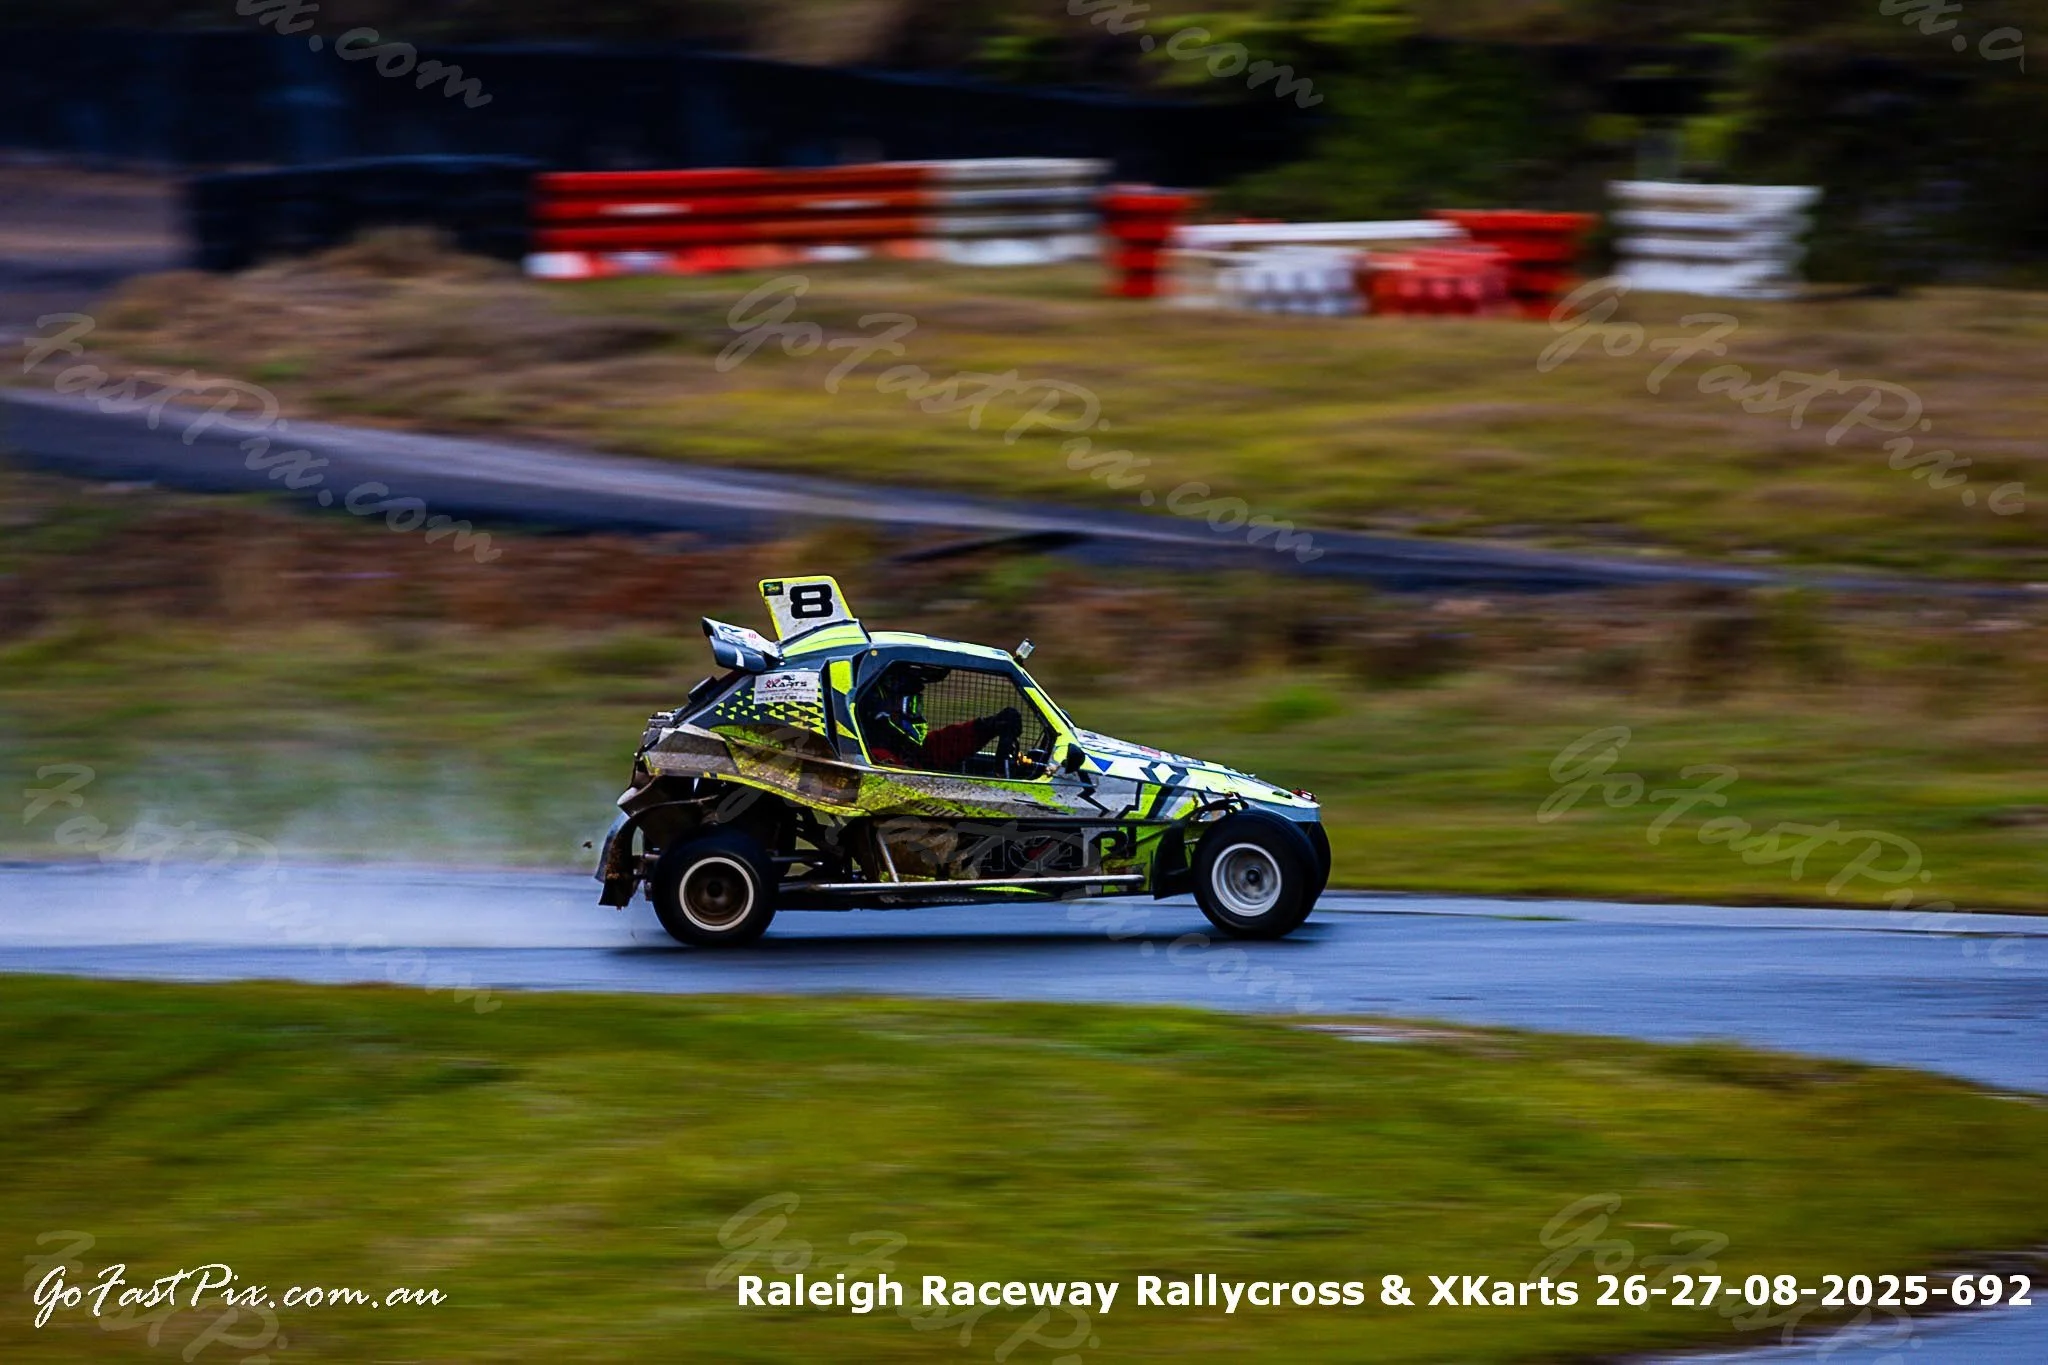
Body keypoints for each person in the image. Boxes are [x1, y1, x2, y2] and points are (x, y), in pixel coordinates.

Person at [861, 667, 1023, 771]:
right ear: (883, 708)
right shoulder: (879, 760)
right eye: (912, 706)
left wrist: (987, 727)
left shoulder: (899, 747)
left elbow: (938, 748)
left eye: (918, 706)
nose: (916, 713)